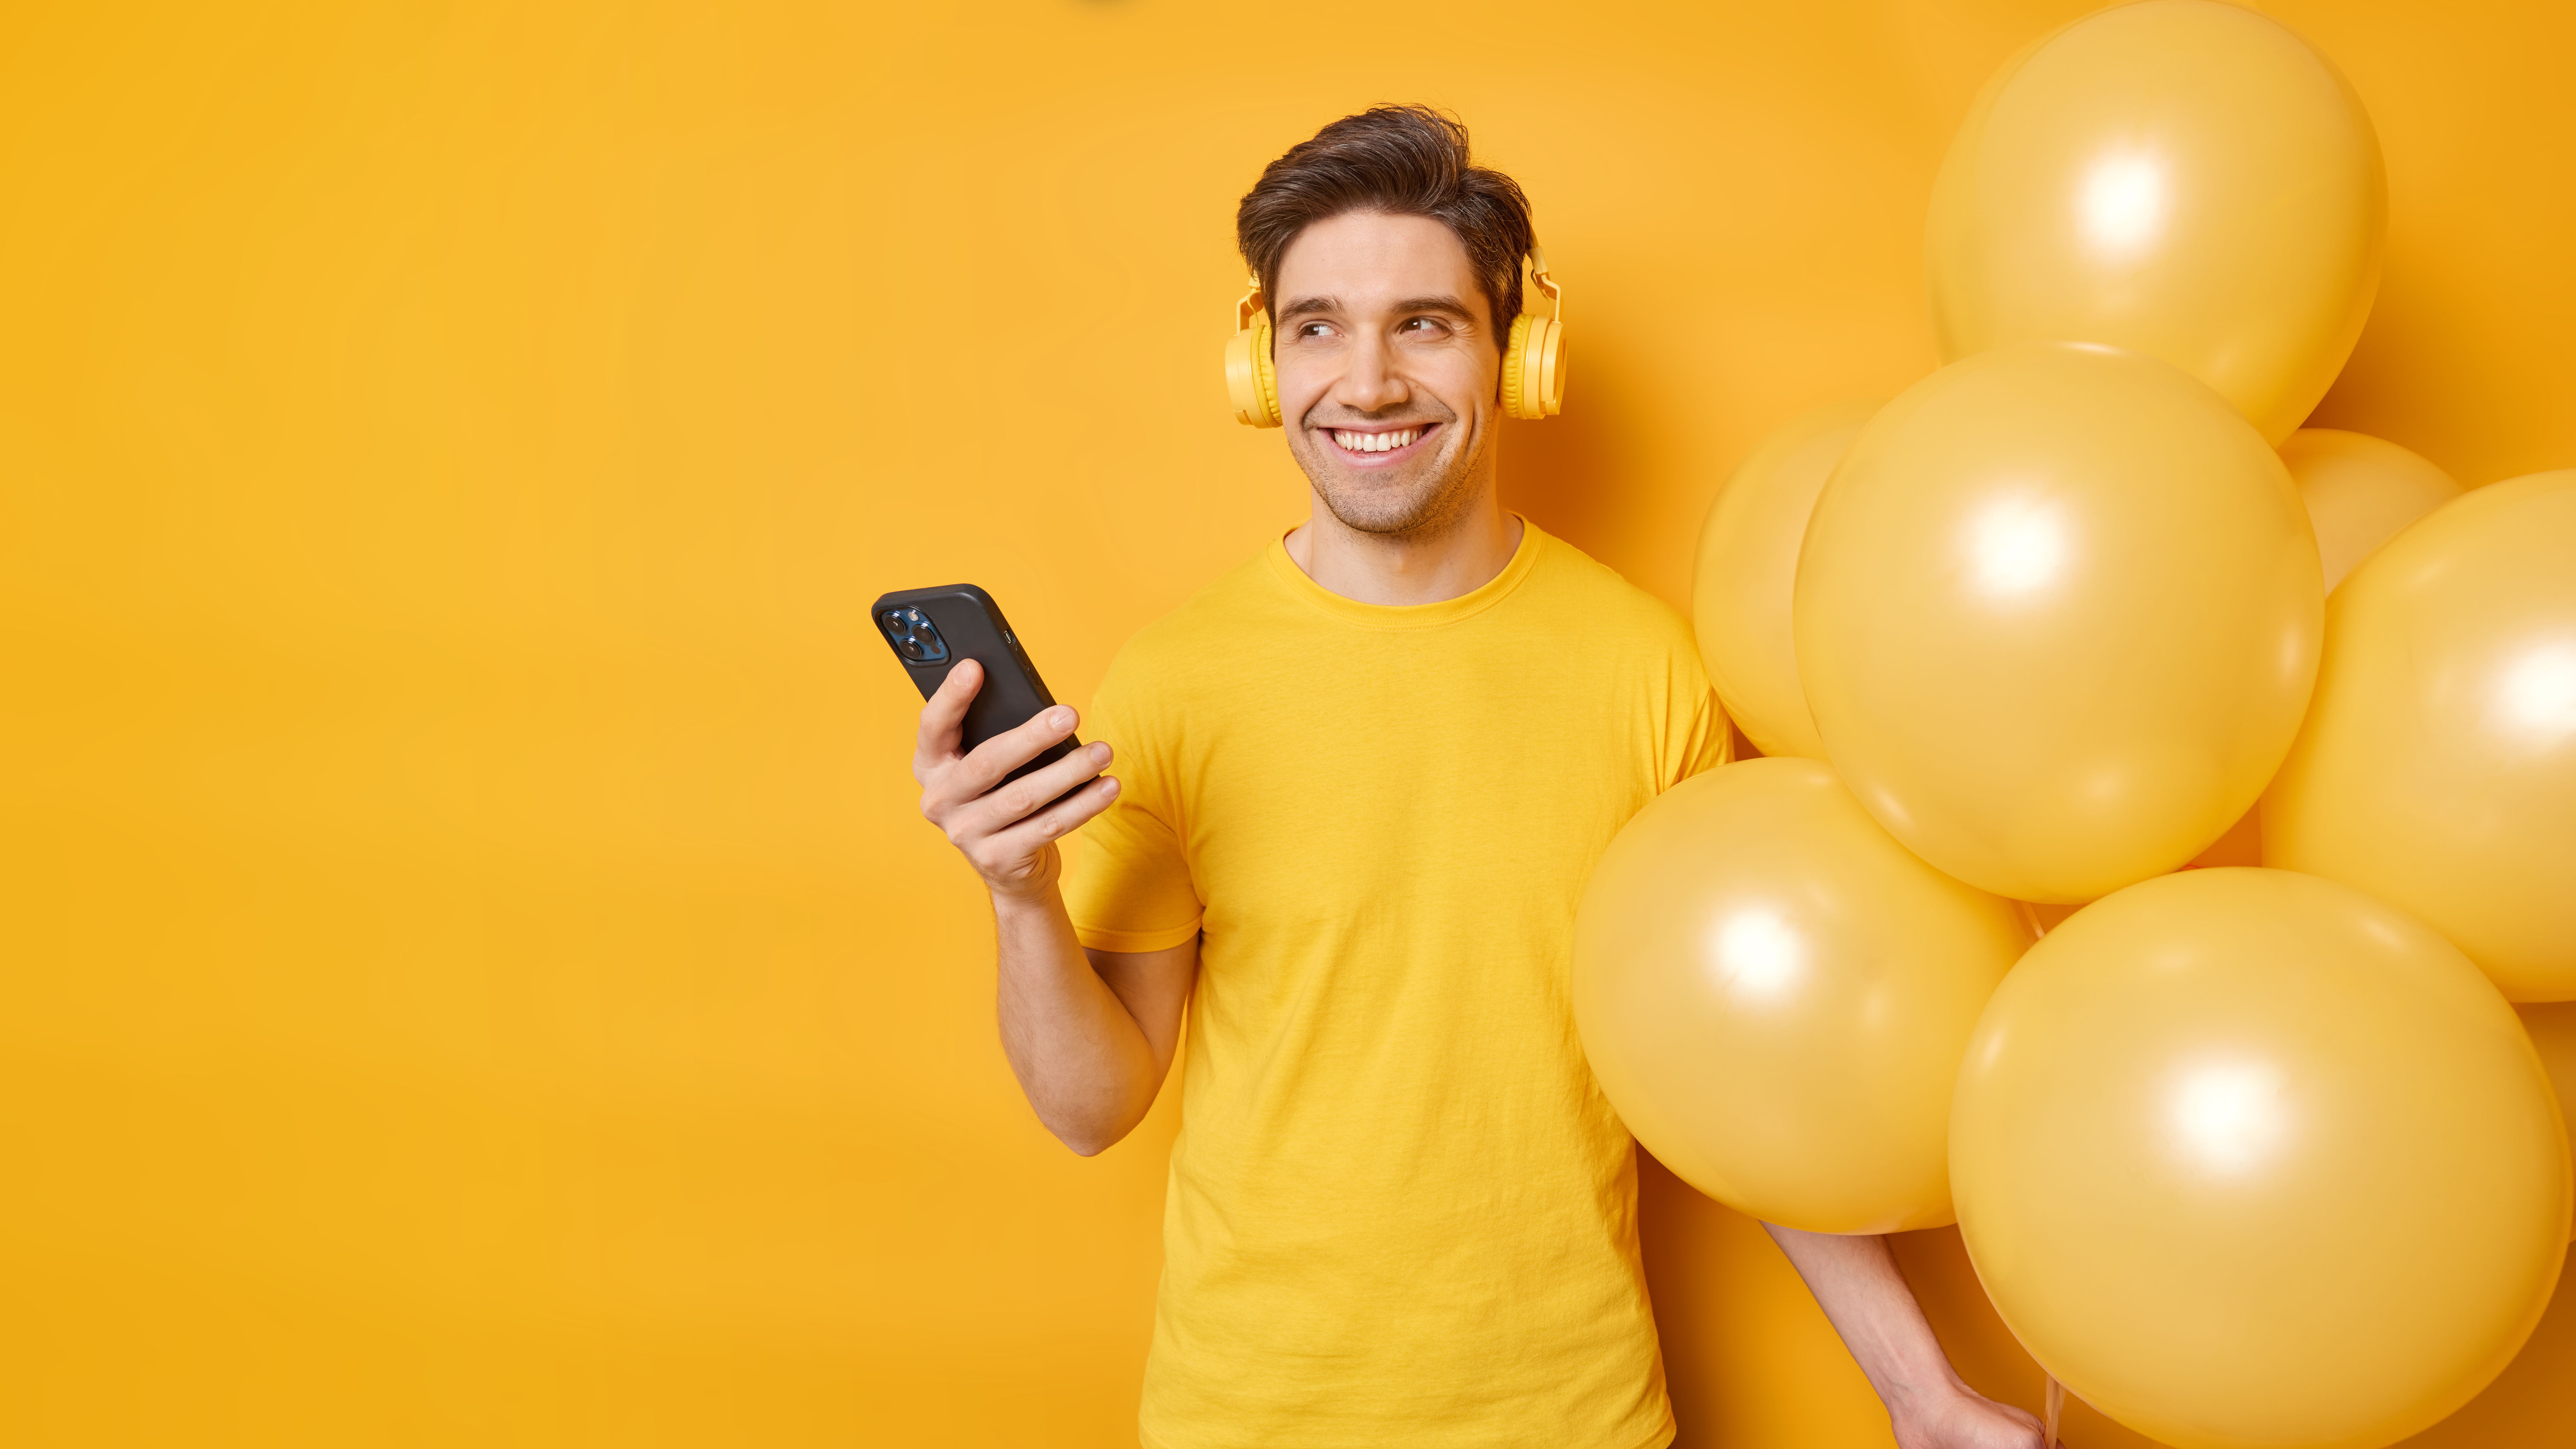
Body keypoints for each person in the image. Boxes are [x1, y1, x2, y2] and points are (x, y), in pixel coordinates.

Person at [911, 105, 2045, 1449]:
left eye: (1424, 324)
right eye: (1318, 326)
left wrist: (1922, 1396)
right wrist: (1020, 890)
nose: (1369, 382)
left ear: (1518, 353)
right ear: (1262, 367)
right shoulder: (1174, 683)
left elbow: (1735, 1067)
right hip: (1251, 1416)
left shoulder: (1646, 669)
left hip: (1572, 1417)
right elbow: (1092, 1111)